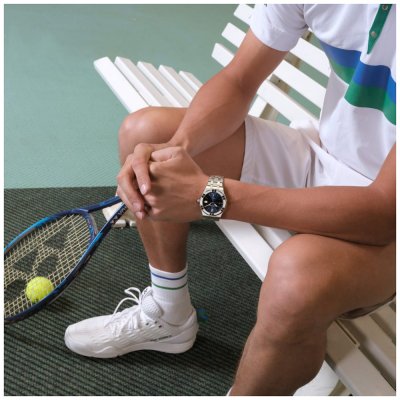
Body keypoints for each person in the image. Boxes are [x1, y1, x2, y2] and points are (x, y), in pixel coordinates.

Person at [64, 4, 396, 396]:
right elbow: (239, 79)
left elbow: (382, 212)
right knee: (147, 135)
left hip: (388, 220)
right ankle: (169, 314)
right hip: (325, 157)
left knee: (297, 280)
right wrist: (176, 153)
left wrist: (211, 195)